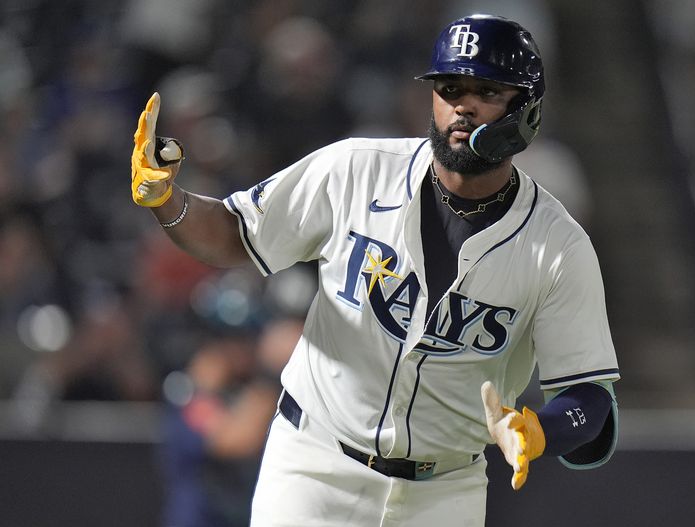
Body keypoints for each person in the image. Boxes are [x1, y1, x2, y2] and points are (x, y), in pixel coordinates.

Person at [130, 14, 620, 526]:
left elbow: (590, 397)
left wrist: (541, 431)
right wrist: (168, 200)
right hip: (315, 466)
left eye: (487, 91)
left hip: (445, 490)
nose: (462, 105)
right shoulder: (356, 170)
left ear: (527, 112)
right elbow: (237, 232)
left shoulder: (557, 244)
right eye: (449, 86)